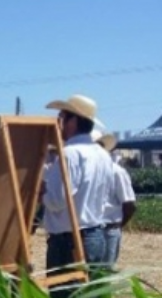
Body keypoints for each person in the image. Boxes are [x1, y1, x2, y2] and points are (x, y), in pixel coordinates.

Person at [42, 95, 114, 298]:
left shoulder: (69, 154)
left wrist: (41, 192)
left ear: (73, 121)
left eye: (62, 116)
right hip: (95, 235)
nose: (59, 122)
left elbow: (57, 201)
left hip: (69, 242)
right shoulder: (102, 155)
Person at [92, 130, 137, 270]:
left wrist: (116, 226)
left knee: (102, 276)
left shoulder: (116, 172)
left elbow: (129, 204)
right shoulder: (86, 172)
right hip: (91, 230)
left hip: (108, 230)